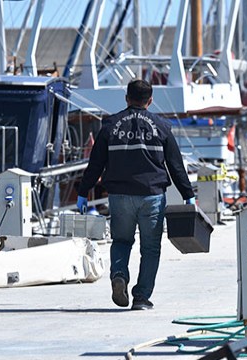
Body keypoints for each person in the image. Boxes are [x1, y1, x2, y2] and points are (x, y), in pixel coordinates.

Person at [76, 79, 195, 311]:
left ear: (126, 98)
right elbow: (175, 165)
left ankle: (119, 274)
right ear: (150, 101)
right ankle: (141, 297)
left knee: (121, 241)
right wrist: (188, 194)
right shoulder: (162, 126)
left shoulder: (110, 125)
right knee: (150, 248)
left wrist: (83, 192)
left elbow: (95, 164)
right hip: (152, 196)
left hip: (119, 196)